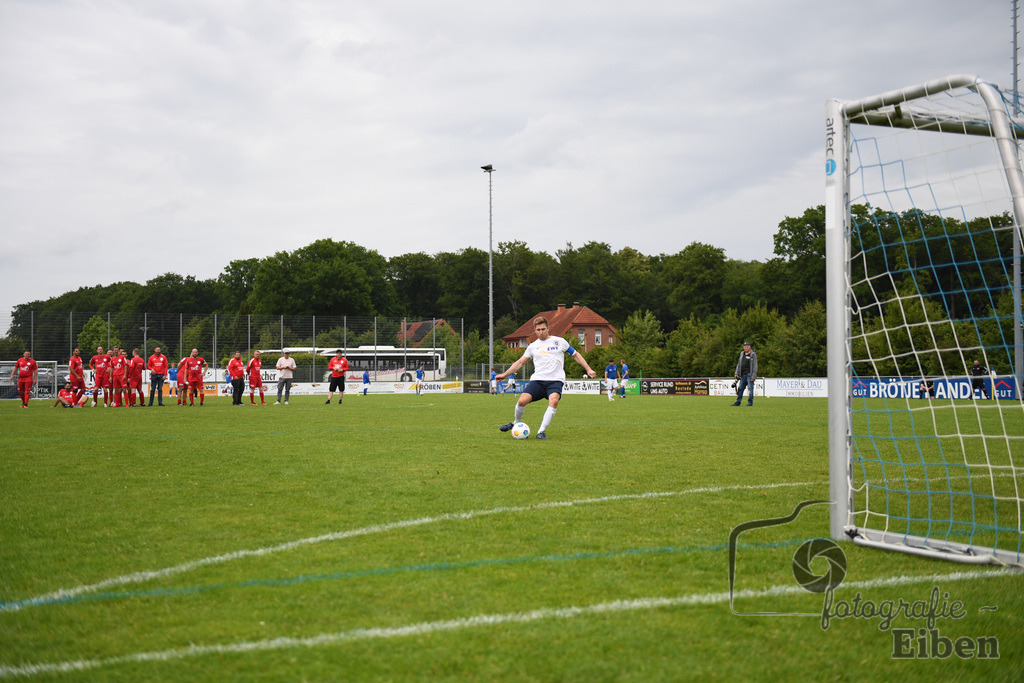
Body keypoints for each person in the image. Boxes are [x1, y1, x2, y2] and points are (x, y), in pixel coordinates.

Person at [497, 316, 597, 440]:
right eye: (538, 329)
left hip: (555, 380)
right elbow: (520, 363)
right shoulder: (532, 346)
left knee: (554, 401)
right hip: (538, 380)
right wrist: (505, 374)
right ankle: (516, 423)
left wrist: (588, 369)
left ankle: (541, 431)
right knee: (522, 401)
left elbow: (576, 355)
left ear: (548, 328)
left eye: (543, 329)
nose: (541, 332)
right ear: (535, 330)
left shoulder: (559, 341)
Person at [731, 341, 758, 407]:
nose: (746, 348)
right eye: (745, 346)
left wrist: (753, 377)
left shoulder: (753, 355)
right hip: (742, 375)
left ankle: (750, 403)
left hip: (750, 375)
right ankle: (738, 402)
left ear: (750, 347)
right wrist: (736, 373)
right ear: (743, 347)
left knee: (750, 389)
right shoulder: (742, 354)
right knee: (740, 389)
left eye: (747, 346)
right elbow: (739, 364)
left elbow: (755, 366)